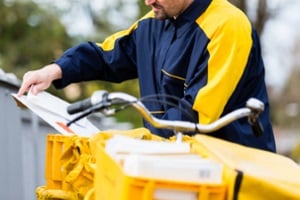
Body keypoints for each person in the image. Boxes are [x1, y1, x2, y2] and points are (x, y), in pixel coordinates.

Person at [17, 0, 276, 152]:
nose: (148, 0)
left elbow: (194, 118)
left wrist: (126, 141)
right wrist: (55, 70)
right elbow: (107, 56)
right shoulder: (153, 22)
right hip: (174, 167)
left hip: (237, 175)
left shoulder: (228, 27)